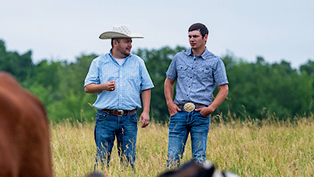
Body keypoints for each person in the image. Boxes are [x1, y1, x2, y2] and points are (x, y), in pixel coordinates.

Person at [84, 25, 154, 169]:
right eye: (126, 41)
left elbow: (146, 87)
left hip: (129, 117)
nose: (130, 45)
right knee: (102, 160)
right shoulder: (99, 62)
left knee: (128, 161)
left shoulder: (138, 62)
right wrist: (103, 86)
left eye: (131, 41)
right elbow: (88, 87)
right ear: (115, 43)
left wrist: (146, 111)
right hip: (105, 118)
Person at [164, 22, 229, 168]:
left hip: (201, 114)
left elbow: (224, 89)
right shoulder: (179, 58)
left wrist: (211, 108)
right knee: (173, 157)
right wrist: (169, 102)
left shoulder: (215, 61)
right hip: (179, 113)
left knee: (199, 158)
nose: (192, 39)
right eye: (189, 36)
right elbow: (169, 81)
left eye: (195, 36)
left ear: (205, 37)